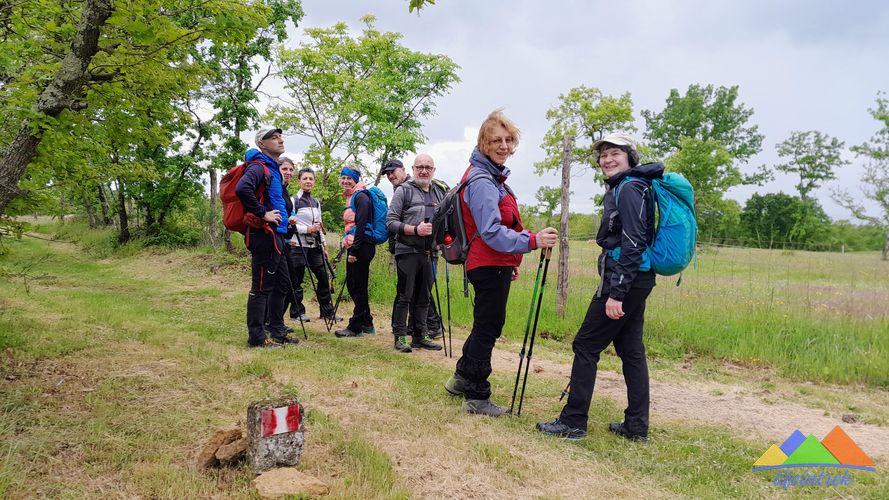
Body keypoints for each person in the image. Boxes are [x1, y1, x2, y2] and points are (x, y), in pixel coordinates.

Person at [536, 132, 660, 442]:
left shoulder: (630, 189)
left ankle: (573, 421)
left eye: (614, 153)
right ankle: (636, 426)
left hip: (624, 279)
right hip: (638, 277)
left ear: (630, 156)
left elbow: (633, 242)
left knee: (586, 345)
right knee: (631, 350)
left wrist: (617, 292)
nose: (607, 159)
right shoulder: (632, 186)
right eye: (603, 155)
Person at [442, 110, 558, 416]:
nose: (504, 146)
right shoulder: (482, 181)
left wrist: (512, 259)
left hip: (494, 263)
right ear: (483, 142)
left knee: (484, 324)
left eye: (509, 140)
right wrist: (532, 241)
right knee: (488, 328)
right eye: (496, 140)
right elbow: (491, 232)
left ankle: (461, 379)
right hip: (487, 262)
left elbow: (498, 229)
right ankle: (477, 396)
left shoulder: (493, 178)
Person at [235, 126, 298, 348]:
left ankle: (277, 331)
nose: (280, 140)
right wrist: (263, 213)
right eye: (273, 137)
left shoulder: (272, 168)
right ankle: (257, 337)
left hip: (277, 236)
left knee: (281, 285)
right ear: (261, 143)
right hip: (264, 235)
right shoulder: (258, 167)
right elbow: (243, 189)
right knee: (261, 287)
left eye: (280, 136)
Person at [385, 154, 446, 353]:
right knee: (405, 295)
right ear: (413, 169)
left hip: (430, 253)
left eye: (428, 167)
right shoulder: (404, 191)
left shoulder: (438, 192)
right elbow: (391, 221)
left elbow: (445, 221)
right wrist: (414, 230)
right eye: (420, 166)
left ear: (434, 170)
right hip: (407, 250)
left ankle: (421, 335)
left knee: (424, 296)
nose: (424, 170)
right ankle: (400, 336)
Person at [283, 160, 340, 323]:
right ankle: (296, 312)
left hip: (315, 246)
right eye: (305, 178)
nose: (308, 181)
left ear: (314, 182)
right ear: (299, 181)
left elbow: (320, 224)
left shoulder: (316, 202)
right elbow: (289, 222)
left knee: (323, 277)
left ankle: (327, 311)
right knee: (297, 280)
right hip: (297, 245)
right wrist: (307, 229)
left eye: (311, 179)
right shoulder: (294, 200)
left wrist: (324, 245)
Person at [334, 165, 376, 338]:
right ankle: (367, 322)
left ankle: (356, 326)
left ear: (356, 179)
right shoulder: (352, 197)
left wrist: (354, 252)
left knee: (357, 286)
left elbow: (362, 226)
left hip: (362, 247)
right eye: (343, 178)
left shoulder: (361, 197)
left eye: (349, 178)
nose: (345, 181)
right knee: (355, 285)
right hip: (357, 245)